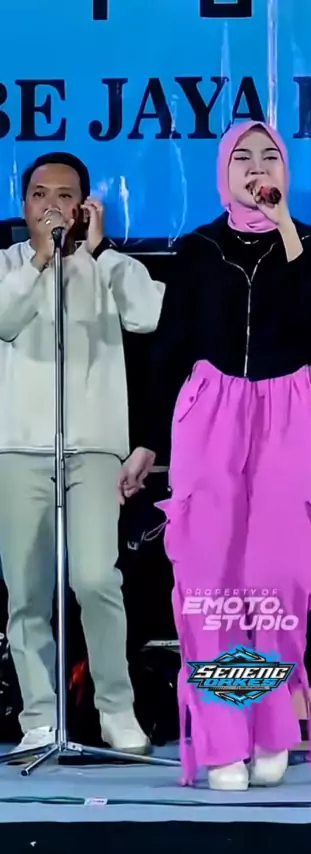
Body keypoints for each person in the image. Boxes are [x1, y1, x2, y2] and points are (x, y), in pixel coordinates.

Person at [118, 121, 311, 790]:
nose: (255, 166)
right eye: (242, 156)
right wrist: (147, 441)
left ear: (285, 170)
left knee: (277, 579)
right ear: (223, 170)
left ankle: (270, 727)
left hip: (287, 410)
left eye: (269, 156)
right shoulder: (198, 249)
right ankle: (222, 740)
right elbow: (169, 349)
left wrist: (286, 224)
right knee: (210, 581)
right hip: (211, 409)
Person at [0, 152, 165, 755]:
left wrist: (99, 252)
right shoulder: (9, 265)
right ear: (23, 205)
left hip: (94, 447)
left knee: (96, 579)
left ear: (85, 206)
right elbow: (3, 319)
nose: (52, 205)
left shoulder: (110, 265)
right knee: (26, 591)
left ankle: (116, 709)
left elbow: (149, 316)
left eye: (65, 195)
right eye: (40, 194)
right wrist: (41, 261)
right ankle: (39, 718)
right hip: (18, 448)